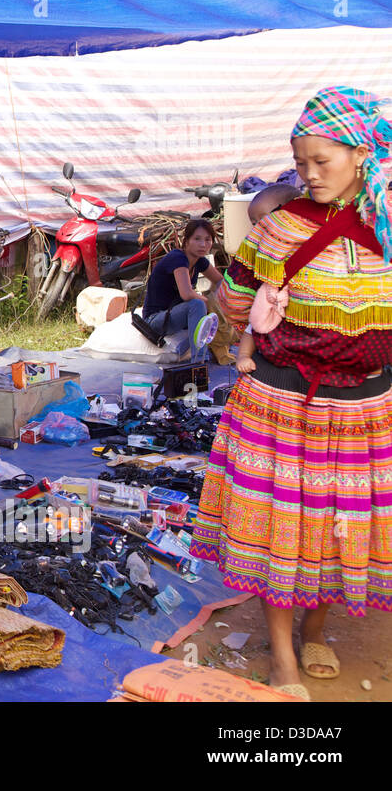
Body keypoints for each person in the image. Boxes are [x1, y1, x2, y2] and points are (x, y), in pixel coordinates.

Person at [191, 86, 392, 700]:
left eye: (320, 162)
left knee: (338, 527)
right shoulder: (279, 226)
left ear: (361, 154)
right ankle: (281, 651)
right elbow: (234, 300)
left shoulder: (386, 224)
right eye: (300, 162)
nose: (307, 174)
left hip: (365, 408)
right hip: (282, 402)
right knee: (283, 526)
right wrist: (236, 316)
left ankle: (315, 627)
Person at [235, 184, 302, 375]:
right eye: (254, 224)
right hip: (272, 308)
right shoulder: (262, 249)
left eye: (262, 221)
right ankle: (243, 355)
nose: (258, 228)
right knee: (255, 324)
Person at [140, 218, 223, 360]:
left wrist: (222, 301)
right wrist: (209, 303)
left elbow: (221, 281)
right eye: (197, 239)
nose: (203, 244)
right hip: (156, 319)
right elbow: (186, 294)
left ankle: (215, 348)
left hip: (174, 315)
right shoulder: (178, 258)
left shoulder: (199, 260)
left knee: (217, 306)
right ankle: (198, 360)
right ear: (187, 241)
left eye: (207, 240)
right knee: (197, 304)